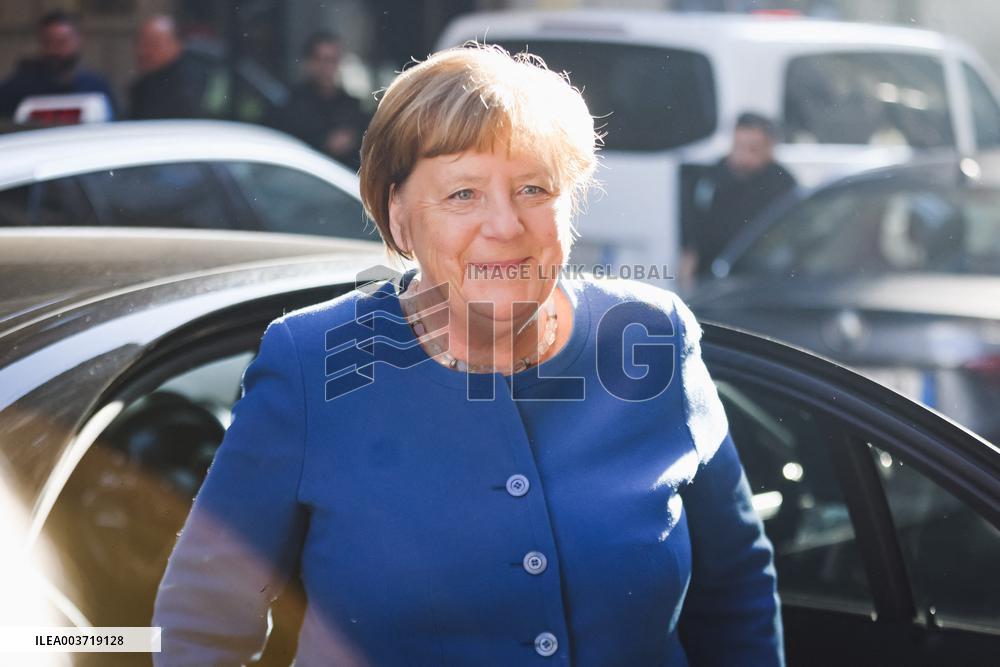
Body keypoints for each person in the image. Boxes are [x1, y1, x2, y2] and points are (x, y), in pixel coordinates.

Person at [153, 44, 784, 666]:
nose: (505, 225)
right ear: (399, 219)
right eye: (463, 194)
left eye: (534, 188)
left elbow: (735, 591)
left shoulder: (651, 338)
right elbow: (203, 620)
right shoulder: (314, 362)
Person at [681, 111, 797, 285]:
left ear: (769, 148)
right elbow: (695, 229)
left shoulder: (783, 184)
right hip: (711, 275)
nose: (742, 157)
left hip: (761, 277)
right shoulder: (712, 177)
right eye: (738, 147)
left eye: (752, 149)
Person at [269, 31, 369, 171]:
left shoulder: (351, 105)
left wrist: (352, 138)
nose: (325, 67)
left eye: (331, 60)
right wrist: (325, 143)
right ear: (309, 63)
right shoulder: (291, 105)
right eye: (319, 59)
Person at [0, 10, 116, 119]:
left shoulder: (96, 86)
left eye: (62, 42)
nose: (55, 50)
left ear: (78, 40)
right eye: (48, 43)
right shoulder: (18, 88)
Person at [128, 14, 208, 120]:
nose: (143, 51)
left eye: (153, 44)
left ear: (176, 45)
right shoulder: (146, 83)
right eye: (141, 43)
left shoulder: (187, 87)